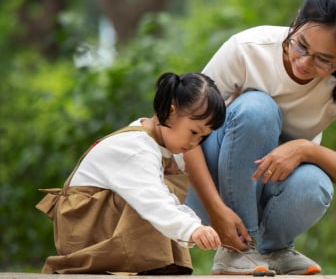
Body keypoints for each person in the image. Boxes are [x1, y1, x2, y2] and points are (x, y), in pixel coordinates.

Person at [184, 0, 336, 275]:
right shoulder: (247, 49)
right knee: (258, 109)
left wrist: (304, 149)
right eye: (300, 44)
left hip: (268, 185)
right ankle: (237, 251)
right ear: (297, 19)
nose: (303, 62)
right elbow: (185, 133)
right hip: (207, 183)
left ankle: (273, 250)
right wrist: (216, 209)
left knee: (316, 183)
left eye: (323, 60)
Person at [39, 72, 226, 275]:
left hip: (99, 222)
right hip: (84, 230)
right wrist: (192, 229)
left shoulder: (157, 141)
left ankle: (157, 263)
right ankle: (148, 265)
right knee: (154, 194)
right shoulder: (137, 148)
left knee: (167, 184)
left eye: (202, 138)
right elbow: (153, 201)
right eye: (193, 132)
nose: (194, 144)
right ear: (171, 112)